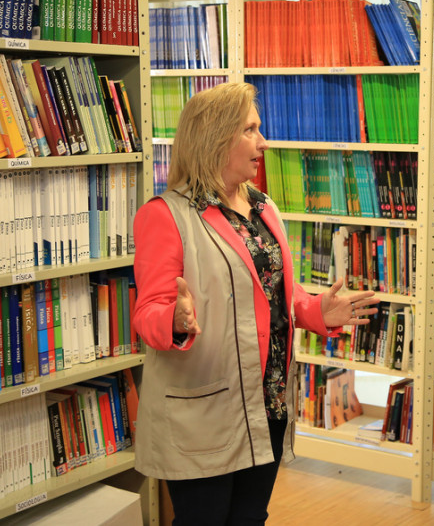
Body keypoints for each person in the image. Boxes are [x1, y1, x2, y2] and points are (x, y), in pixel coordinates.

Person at [131, 82, 379, 525]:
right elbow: (147, 312)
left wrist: (316, 310)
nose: (262, 142)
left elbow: (276, 294)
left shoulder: (264, 207)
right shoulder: (164, 214)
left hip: (267, 405)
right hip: (205, 413)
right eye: (250, 130)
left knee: (250, 519)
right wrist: (175, 318)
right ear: (214, 137)